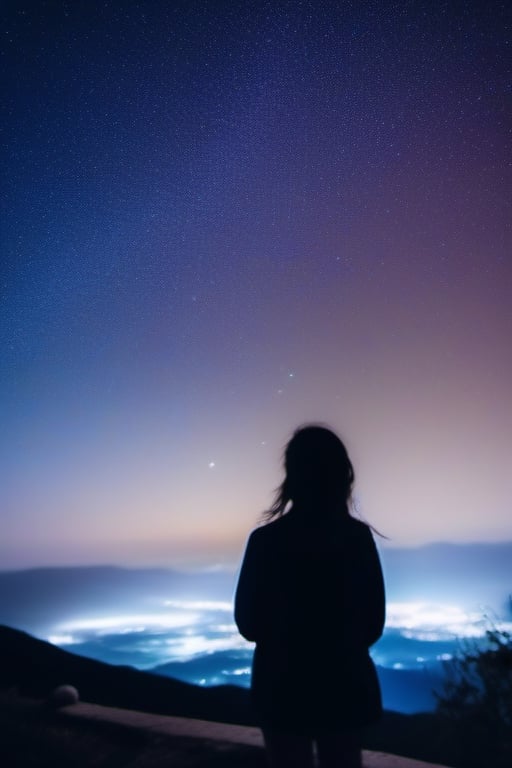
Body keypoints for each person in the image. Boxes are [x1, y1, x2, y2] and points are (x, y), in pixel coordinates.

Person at [234, 425, 385, 768]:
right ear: (342, 474)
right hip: (344, 688)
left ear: (291, 475)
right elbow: (373, 624)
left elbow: (248, 623)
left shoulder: (266, 541)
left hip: (280, 688)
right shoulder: (356, 539)